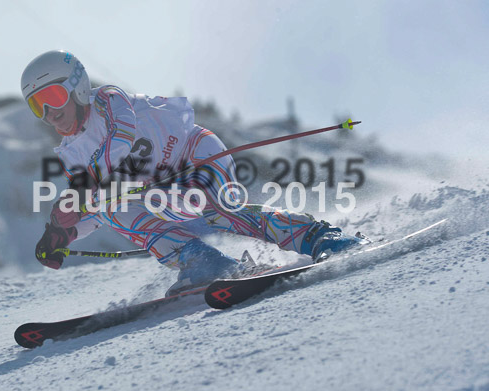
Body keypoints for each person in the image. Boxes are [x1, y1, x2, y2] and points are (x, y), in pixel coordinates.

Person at [21, 50, 367, 295]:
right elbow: (97, 209)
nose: (49, 112)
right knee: (110, 208)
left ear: (78, 86)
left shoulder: (108, 100)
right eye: (38, 105)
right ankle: (206, 263)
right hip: (160, 189)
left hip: (193, 155)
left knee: (217, 211)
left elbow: (120, 140)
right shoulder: (70, 154)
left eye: (53, 96)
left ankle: (320, 236)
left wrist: (83, 193)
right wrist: (63, 234)